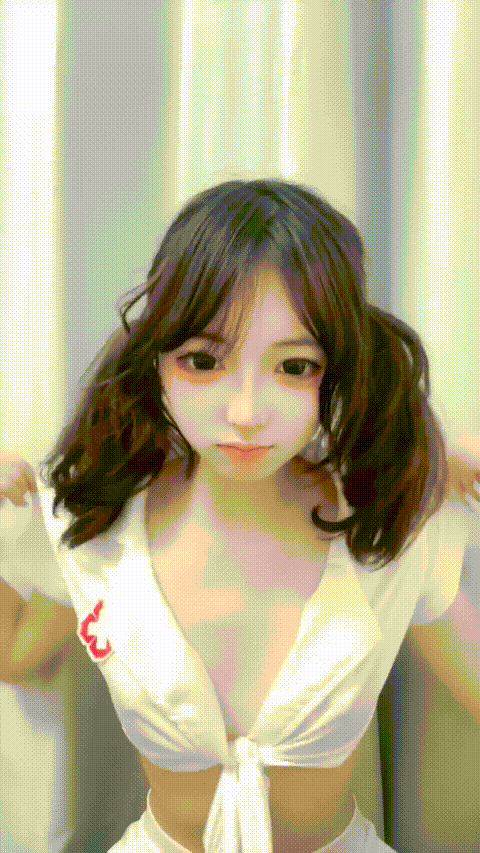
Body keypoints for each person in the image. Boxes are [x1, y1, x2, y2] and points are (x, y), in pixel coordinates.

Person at [1, 178, 479, 853]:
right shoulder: (94, 524)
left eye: (294, 366)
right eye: (203, 361)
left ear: (338, 368)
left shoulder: (388, 526)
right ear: (155, 360)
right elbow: (16, 652)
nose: (247, 411)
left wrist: (421, 465)